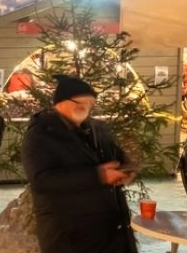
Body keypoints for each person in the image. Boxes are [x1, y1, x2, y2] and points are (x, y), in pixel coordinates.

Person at [21, 75, 137, 253]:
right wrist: (99, 175)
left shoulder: (96, 130)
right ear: (62, 102)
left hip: (109, 231)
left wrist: (125, 169)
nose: (87, 109)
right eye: (81, 103)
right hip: (69, 234)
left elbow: (116, 157)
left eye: (91, 104)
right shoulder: (41, 134)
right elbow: (42, 180)